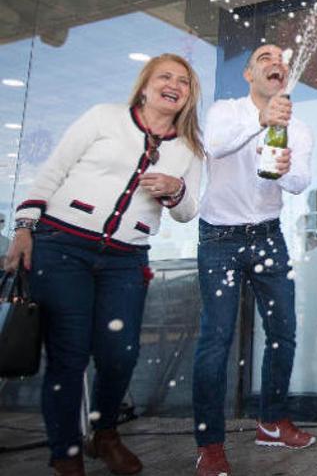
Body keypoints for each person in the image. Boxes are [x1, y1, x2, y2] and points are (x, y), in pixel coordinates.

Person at [4, 53, 204, 476]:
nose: (174, 84)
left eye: (183, 81)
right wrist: (25, 227)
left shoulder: (188, 148)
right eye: (164, 76)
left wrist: (175, 188)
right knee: (69, 355)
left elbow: (188, 212)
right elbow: (52, 171)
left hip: (126, 258)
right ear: (145, 86)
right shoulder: (104, 117)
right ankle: (66, 453)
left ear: (189, 95)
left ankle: (105, 433)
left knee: (121, 353)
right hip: (62, 246)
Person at [192, 44, 314, 476]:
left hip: (267, 235)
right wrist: (260, 120)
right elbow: (216, 147)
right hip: (218, 237)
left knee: (284, 331)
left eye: (280, 60)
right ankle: (209, 443)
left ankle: (272, 421)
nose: (275, 63)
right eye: (265, 58)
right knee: (216, 339)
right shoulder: (226, 111)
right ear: (248, 75)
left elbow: (301, 182)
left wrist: (285, 170)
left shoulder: (297, 127)